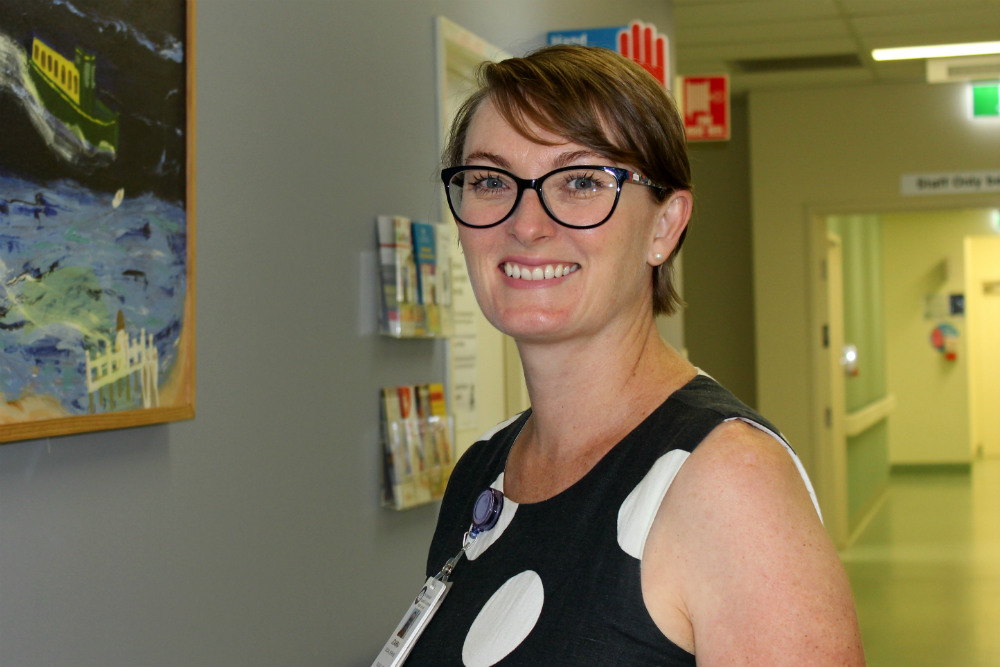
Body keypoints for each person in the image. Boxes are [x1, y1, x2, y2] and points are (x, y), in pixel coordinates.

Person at [405, 44, 865, 666]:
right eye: (490, 181)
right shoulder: (483, 474)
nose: (527, 222)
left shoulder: (725, 482)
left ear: (664, 227)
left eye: (581, 181)